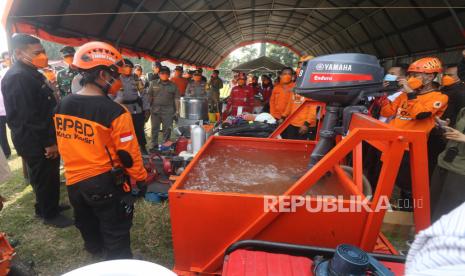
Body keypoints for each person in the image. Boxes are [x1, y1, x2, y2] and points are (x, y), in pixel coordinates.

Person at [54, 41, 147, 259]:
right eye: (116, 75)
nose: (120, 82)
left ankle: (96, 252)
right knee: (116, 229)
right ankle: (118, 263)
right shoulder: (115, 111)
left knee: (87, 223)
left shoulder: (63, 105)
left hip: (74, 181)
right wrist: (140, 179)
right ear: (103, 75)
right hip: (105, 182)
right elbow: (128, 155)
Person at [1, 34, 72, 227]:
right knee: (44, 176)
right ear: (18, 53)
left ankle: (47, 206)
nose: (43, 56)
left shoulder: (30, 71)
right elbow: (29, 116)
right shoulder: (18, 77)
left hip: (40, 135)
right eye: (37, 53)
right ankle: (49, 215)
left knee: (45, 174)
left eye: (42, 51)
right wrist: (48, 143)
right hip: (35, 138)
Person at [380, 57, 448, 210]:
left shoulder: (440, 97)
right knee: (387, 179)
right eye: (410, 75)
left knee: (408, 186)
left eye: (415, 75)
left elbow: (421, 114)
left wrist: (410, 93)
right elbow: (387, 111)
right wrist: (385, 93)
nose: (411, 79)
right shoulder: (404, 94)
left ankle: (407, 214)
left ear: (430, 77)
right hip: (392, 142)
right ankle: (385, 209)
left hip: (410, 148)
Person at [430, 110, 465, 222]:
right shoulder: (463, 110)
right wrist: (445, 129)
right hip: (444, 163)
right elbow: (454, 138)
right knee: (431, 206)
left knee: (447, 213)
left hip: (460, 172)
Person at [115, 59, 150, 155]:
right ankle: (126, 150)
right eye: (126, 67)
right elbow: (111, 94)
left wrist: (146, 109)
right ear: (121, 68)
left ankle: (142, 147)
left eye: (130, 67)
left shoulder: (136, 79)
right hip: (121, 109)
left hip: (136, 109)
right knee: (124, 131)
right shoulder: (116, 79)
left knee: (139, 128)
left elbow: (143, 94)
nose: (129, 69)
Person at [147, 66, 180, 152]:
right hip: (155, 110)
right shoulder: (153, 83)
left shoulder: (173, 85)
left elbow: (176, 98)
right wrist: (147, 109)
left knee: (167, 129)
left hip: (168, 111)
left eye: (166, 73)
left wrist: (177, 111)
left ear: (169, 75)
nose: (164, 75)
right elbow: (149, 96)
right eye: (162, 73)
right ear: (159, 74)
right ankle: (153, 145)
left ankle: (165, 146)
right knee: (154, 128)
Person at [0, 56, 11, 158]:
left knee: (15, 129)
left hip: (9, 108)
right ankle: (6, 152)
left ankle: (18, 146)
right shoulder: (3, 72)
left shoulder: (7, 72)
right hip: (0, 111)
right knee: (1, 133)